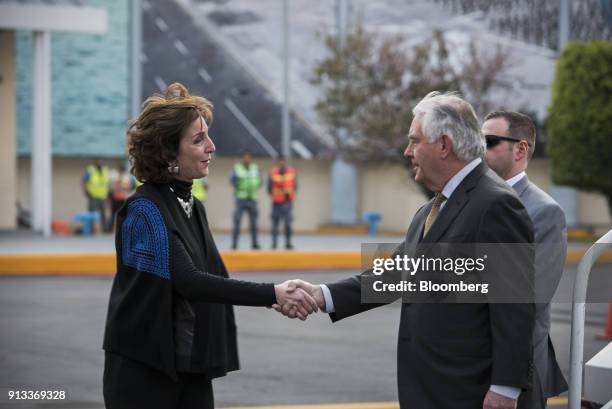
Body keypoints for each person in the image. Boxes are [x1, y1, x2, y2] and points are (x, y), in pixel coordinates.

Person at [277, 92, 536, 409]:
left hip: (468, 390)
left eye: (415, 141)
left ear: (444, 145)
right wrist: (321, 294)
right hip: (429, 385)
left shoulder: (496, 204)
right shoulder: (431, 209)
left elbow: (516, 306)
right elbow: (396, 273)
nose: (407, 151)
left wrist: (505, 388)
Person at [102, 83, 317, 409]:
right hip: (145, 372)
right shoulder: (144, 210)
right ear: (167, 151)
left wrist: (280, 297)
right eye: (198, 139)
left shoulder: (192, 206)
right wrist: (273, 293)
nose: (212, 147)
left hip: (189, 367)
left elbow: (214, 276)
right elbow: (189, 281)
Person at [483, 110, 568, 408]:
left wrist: (507, 383)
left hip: (516, 374)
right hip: (468, 367)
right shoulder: (473, 202)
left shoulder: (544, 211)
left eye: (490, 141)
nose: (481, 149)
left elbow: (529, 300)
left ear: (521, 149)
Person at [230, 150, 261, 249]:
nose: (247, 159)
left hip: (252, 199)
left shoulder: (255, 168)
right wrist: (240, 187)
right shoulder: (237, 168)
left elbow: (260, 181)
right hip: (241, 199)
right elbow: (232, 181)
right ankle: (234, 244)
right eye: (245, 157)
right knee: (237, 222)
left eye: (248, 157)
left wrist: (253, 187)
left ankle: (255, 243)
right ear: (242, 158)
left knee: (254, 224)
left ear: (251, 158)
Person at [268, 156, 297, 249]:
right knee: (275, 225)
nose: (282, 163)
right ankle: (274, 244)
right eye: (280, 161)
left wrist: (290, 196)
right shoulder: (273, 172)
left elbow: (295, 186)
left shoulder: (291, 172)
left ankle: (288, 243)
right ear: (278, 162)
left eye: (283, 161)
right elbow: (269, 188)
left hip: (287, 203)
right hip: (276, 203)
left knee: (288, 224)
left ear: (285, 162)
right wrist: (276, 195)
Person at [108, 164, 136, 231]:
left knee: (121, 214)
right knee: (116, 214)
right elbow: (112, 189)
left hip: (122, 198)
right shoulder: (116, 178)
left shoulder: (125, 178)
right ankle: (113, 229)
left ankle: (119, 228)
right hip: (117, 198)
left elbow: (130, 187)